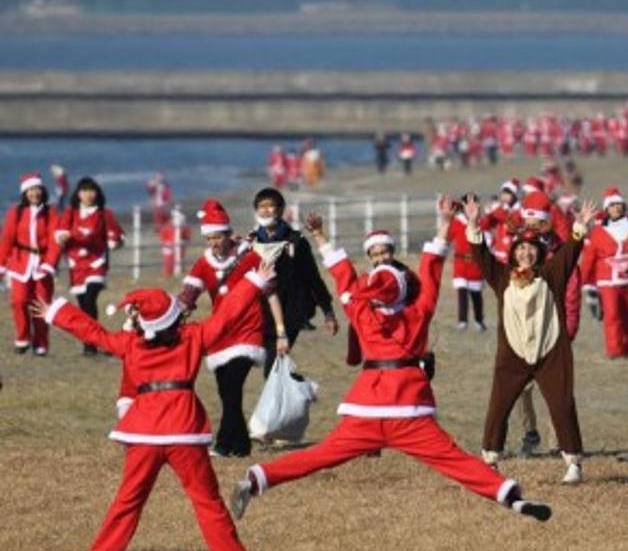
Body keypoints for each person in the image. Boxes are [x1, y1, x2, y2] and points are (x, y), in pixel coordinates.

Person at [230, 202, 552, 526]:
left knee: (319, 455)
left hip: (367, 406)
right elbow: (431, 264)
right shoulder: (419, 309)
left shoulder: (360, 309)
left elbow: (341, 273)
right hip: (408, 408)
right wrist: (443, 222)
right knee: (453, 460)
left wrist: (320, 236)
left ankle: (257, 479)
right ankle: (510, 496)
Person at [32, 260, 274, 551]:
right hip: (184, 430)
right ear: (175, 317)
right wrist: (254, 282)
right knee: (207, 501)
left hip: (143, 431)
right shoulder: (194, 336)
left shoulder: (131, 344)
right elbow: (227, 315)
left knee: (128, 500)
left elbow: (95, 333)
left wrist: (58, 313)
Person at [470, 195, 596, 484]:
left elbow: (571, 251)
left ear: (539, 252)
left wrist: (580, 227)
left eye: (531, 248)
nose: (526, 253)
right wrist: (475, 224)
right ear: (513, 252)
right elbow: (481, 256)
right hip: (512, 354)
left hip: (551, 352)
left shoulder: (552, 274)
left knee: (562, 405)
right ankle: (490, 459)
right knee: (498, 406)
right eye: (521, 248)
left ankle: (573, 462)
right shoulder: (502, 277)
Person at [180, 199, 285, 458]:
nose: (214, 243)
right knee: (226, 390)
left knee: (232, 386)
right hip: (220, 334)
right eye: (210, 238)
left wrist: (281, 332)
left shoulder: (250, 258)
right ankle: (241, 446)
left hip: (248, 332)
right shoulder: (203, 264)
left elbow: (271, 295)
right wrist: (170, 320)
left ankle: (223, 444)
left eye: (218, 237)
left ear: (228, 234)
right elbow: (188, 298)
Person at [249, 188, 338, 376]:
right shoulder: (251, 242)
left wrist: (328, 313)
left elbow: (313, 278)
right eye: (261, 207)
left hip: (291, 312)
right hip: (260, 313)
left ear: (281, 210)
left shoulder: (296, 242)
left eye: (270, 206)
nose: (265, 211)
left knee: (273, 366)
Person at [53, 177, 124, 355]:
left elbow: (116, 234)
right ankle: (92, 343)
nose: (88, 194)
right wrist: (61, 237)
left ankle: (93, 343)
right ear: (78, 194)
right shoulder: (71, 213)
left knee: (90, 298)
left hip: (96, 262)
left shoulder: (104, 213)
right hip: (76, 265)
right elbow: (60, 231)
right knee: (84, 306)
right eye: (84, 191)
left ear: (97, 193)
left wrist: (114, 241)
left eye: (91, 190)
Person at [580, 188, 628, 360]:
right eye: (612, 205)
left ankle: (626, 348)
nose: (616, 208)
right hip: (607, 278)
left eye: (618, 204)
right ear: (607, 209)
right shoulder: (598, 230)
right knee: (612, 314)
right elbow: (590, 255)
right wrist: (586, 280)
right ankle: (614, 349)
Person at [0, 173, 60, 356]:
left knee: (41, 305)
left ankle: (41, 343)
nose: (34, 193)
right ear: (25, 193)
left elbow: (54, 242)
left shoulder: (51, 213)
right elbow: (6, 241)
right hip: (20, 264)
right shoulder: (15, 213)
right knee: (18, 301)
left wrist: (49, 264)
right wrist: (1, 266)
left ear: (42, 190)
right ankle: (23, 337)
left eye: (37, 189)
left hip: (43, 265)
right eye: (30, 190)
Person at [447, 196, 487, 332]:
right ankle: (462, 320)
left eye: (474, 203)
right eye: (467, 204)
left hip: (475, 264)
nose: (470, 207)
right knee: (462, 291)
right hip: (461, 262)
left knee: (476, 294)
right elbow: (447, 235)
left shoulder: (481, 222)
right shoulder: (457, 222)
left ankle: (479, 320)